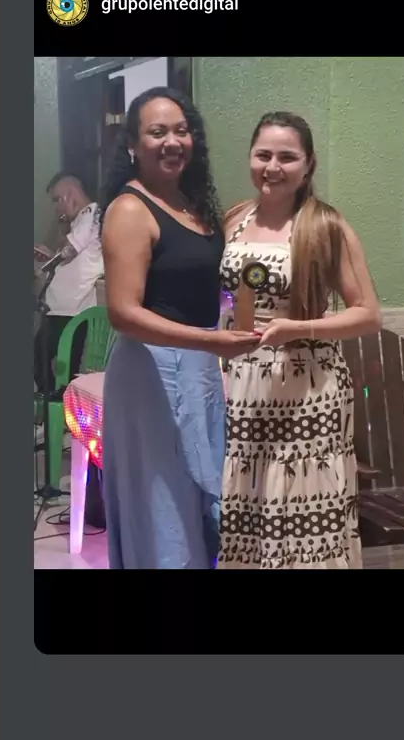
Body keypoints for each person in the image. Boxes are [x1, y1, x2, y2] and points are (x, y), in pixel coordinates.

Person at [100, 86, 260, 569]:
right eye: (157, 132)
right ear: (133, 145)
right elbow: (123, 312)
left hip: (198, 369)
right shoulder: (130, 209)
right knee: (164, 509)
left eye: (182, 131)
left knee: (200, 504)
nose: (172, 142)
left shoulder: (191, 205)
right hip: (152, 374)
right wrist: (210, 340)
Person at [217, 112, 382, 569]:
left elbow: (368, 313)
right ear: (250, 158)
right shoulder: (234, 219)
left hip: (308, 388)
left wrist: (297, 328)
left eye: (287, 157)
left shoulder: (326, 226)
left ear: (309, 164)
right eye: (263, 155)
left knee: (303, 505)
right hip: (245, 386)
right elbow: (225, 296)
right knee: (250, 502)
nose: (273, 167)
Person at [33, 174, 104, 395]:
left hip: (72, 312)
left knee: (58, 369)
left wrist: (61, 230)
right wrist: (49, 256)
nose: (56, 207)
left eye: (57, 199)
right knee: (42, 365)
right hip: (58, 311)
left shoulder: (93, 213)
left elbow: (70, 250)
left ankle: (57, 408)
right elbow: (67, 257)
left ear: (70, 193)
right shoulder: (79, 221)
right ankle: (52, 407)